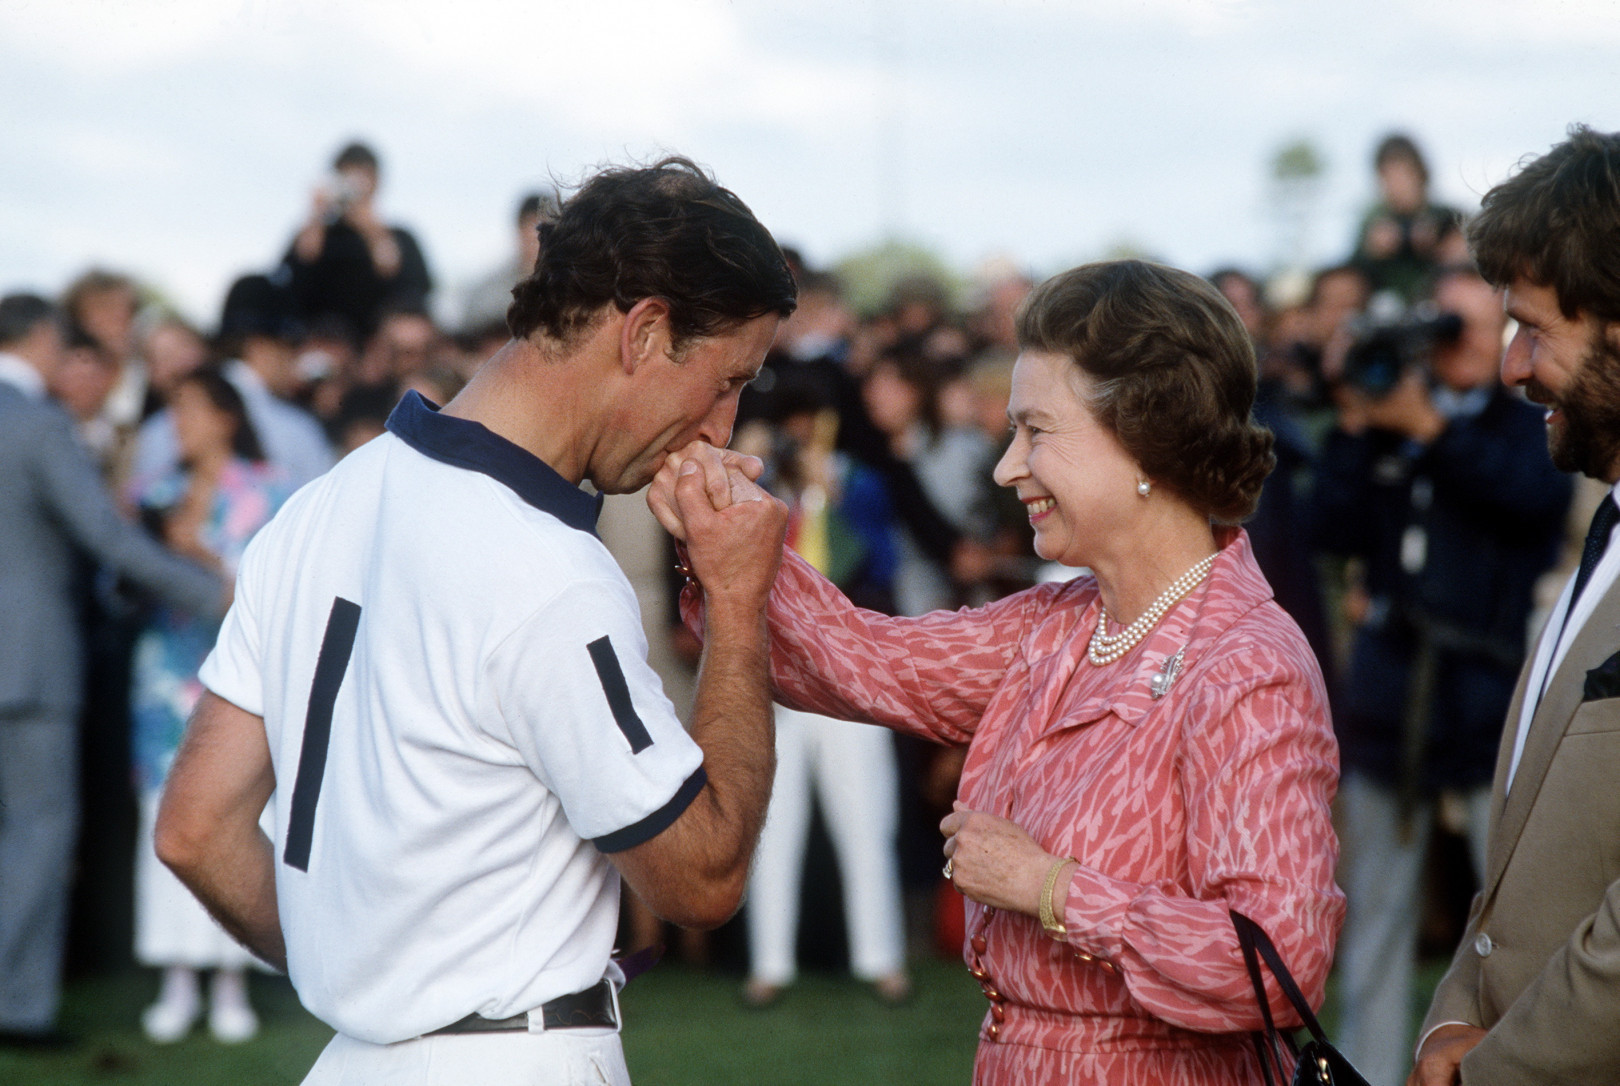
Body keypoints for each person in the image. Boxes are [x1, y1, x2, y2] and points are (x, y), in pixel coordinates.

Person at [153, 156, 797, 1086]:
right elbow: (701, 878)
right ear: (647, 331)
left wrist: (378, 992)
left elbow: (194, 829)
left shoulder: (320, 506)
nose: (722, 427)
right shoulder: (548, 572)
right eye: (730, 379)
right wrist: (740, 607)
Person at [654, 260, 1344, 1085]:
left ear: (1148, 434)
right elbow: (865, 663)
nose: (1004, 466)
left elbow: (1274, 966)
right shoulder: (1056, 624)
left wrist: (1052, 889)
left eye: (1037, 431)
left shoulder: (1249, 667)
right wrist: (728, 523)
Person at [1311, 267, 1572, 1085]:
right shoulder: (1385, 423)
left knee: (1519, 919)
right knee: (1377, 920)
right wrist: (1358, 425)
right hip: (1393, 703)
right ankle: (1371, 1072)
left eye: (1464, 325)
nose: (1448, 343)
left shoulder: (1528, 421)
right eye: (1438, 325)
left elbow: (1530, 505)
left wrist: (1432, 429)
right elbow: (1330, 526)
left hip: (1490, 702)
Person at [1410, 124, 1620, 1086]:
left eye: (1535, 330)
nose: (1510, 368)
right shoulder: (1603, 533)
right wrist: (1451, 1022)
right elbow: (1520, 861)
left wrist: (1496, 1067)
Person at [0, 293, 224, 1049]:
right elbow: (105, 536)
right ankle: (19, 1010)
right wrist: (214, 594)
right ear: (38, 340)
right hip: (28, 665)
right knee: (36, 832)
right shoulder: (37, 424)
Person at [128, 368, 291, 1045]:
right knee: (161, 820)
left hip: (238, 683)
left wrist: (195, 554)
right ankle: (177, 980)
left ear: (226, 416)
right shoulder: (152, 494)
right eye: (173, 412)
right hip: (163, 679)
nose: (180, 425)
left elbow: (270, 591)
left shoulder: (267, 491)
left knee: (236, 812)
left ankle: (231, 979)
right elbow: (121, 580)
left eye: (191, 410)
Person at [280, 140, 433, 343]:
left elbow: (412, 290)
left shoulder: (401, 238)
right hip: (321, 343)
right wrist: (316, 217)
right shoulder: (315, 235)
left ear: (376, 182)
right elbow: (291, 282)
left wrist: (372, 230)